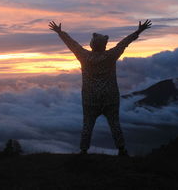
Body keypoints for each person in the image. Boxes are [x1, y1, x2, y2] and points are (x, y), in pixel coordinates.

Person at [49, 20, 152, 156]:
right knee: (115, 124)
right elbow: (124, 43)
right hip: (111, 97)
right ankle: (121, 150)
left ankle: (83, 150)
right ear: (104, 45)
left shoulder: (84, 56)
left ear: (92, 45)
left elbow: (71, 44)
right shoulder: (111, 56)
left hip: (90, 99)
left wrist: (60, 32)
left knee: (87, 125)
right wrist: (139, 31)